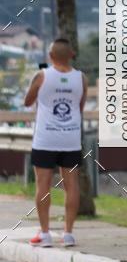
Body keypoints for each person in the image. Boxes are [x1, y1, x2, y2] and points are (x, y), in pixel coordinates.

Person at [24, 38, 88, 248]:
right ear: (71, 55)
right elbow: (80, 107)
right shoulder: (81, 78)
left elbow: (27, 101)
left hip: (45, 138)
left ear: (50, 56)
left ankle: (45, 233)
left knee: (43, 184)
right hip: (70, 138)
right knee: (72, 186)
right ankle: (68, 233)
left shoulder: (42, 76)